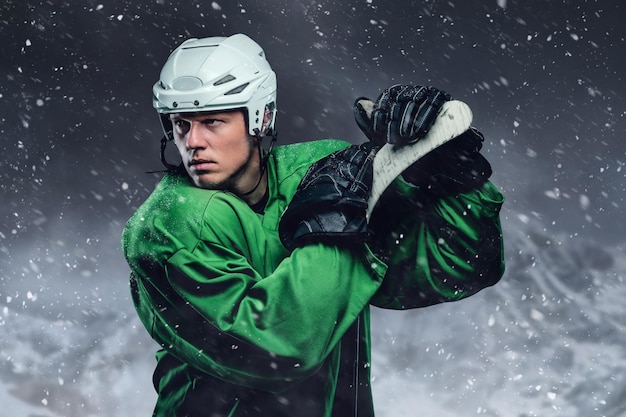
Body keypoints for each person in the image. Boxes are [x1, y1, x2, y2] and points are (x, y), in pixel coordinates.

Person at [121, 33, 505, 417]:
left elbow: (456, 269)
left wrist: (448, 177)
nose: (193, 142)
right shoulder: (168, 224)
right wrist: (335, 233)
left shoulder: (326, 172)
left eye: (212, 122)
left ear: (262, 116)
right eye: (181, 124)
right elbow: (278, 351)